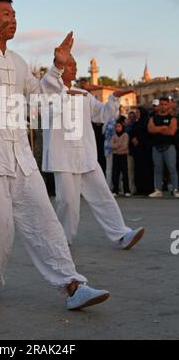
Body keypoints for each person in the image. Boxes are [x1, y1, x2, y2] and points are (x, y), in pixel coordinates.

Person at [0, 0, 110, 311]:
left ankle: (73, 285)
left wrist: (57, 69)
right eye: (6, 13)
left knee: (44, 221)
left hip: (21, 157)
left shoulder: (19, 62)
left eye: (15, 13)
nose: (13, 18)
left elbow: (41, 100)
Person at [42, 56, 144, 247]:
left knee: (103, 196)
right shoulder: (48, 91)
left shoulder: (84, 94)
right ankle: (62, 242)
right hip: (62, 156)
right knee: (68, 203)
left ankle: (122, 234)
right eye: (69, 64)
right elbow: (48, 96)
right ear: (59, 67)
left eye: (75, 64)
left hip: (86, 155)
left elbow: (103, 115)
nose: (74, 67)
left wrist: (114, 98)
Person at [148, 97, 179, 198]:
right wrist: (163, 128)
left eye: (165, 104)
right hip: (156, 147)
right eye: (161, 104)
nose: (163, 106)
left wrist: (157, 129)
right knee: (157, 169)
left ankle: (175, 189)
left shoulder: (172, 118)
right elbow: (150, 129)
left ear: (168, 105)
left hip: (169, 146)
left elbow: (171, 131)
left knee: (172, 168)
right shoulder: (153, 118)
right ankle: (158, 190)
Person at [130, 107, 154, 196]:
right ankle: (139, 188)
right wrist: (133, 139)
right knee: (138, 169)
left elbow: (148, 134)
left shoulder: (147, 122)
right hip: (137, 150)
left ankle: (147, 189)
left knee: (146, 169)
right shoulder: (136, 123)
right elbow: (132, 133)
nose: (136, 113)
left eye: (138, 112)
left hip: (146, 149)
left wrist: (139, 139)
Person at [111, 120, 131, 197]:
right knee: (115, 173)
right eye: (116, 126)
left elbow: (125, 146)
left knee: (125, 173)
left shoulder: (125, 135)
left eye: (119, 126)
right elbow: (111, 145)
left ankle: (126, 190)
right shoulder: (114, 135)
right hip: (115, 156)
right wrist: (118, 145)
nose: (117, 128)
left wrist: (116, 147)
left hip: (123, 155)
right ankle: (115, 190)